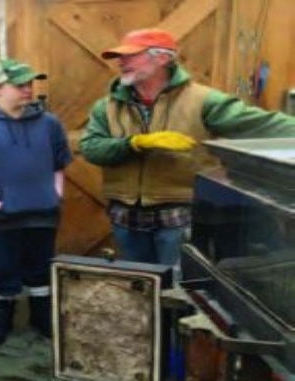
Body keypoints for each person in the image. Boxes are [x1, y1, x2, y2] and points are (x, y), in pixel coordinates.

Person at [80, 28, 295, 268]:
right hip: (126, 218)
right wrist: (134, 143)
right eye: (120, 57)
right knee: (140, 284)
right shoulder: (107, 107)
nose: (121, 62)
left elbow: (263, 125)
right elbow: (91, 149)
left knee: (179, 284)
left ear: (162, 58)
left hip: (180, 218)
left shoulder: (203, 101)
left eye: (131, 56)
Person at [0, 58, 72, 346]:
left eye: (29, 84)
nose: (27, 89)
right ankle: (1, 316)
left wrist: (56, 193)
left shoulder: (49, 124)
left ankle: (41, 314)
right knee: (0, 267)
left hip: (42, 214)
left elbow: (59, 163)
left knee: (40, 266)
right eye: (19, 85)